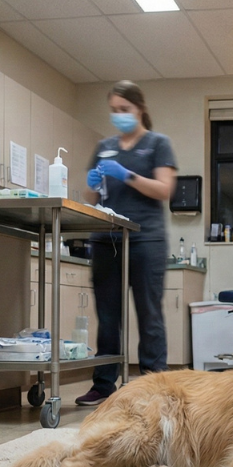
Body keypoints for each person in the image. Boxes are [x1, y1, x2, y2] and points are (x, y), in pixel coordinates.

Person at [75, 81, 177, 406]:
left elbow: (164, 190)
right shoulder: (104, 145)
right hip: (106, 239)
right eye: (114, 110)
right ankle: (103, 385)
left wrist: (126, 174)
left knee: (149, 315)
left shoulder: (158, 144)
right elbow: (89, 197)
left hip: (146, 239)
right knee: (107, 316)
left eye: (125, 110)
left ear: (140, 109)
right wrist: (91, 184)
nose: (119, 115)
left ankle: (153, 384)